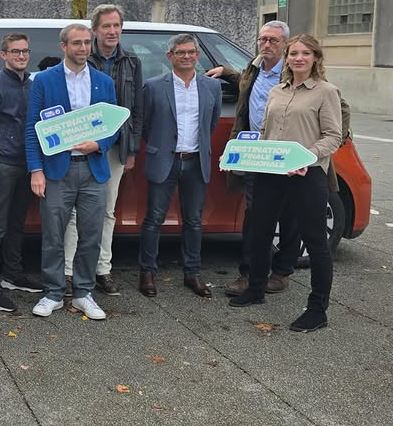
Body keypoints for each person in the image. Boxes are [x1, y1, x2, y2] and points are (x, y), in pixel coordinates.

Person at [207, 21, 352, 296]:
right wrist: (225, 72)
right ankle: (252, 278)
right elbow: (245, 87)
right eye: (262, 39)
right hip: (263, 158)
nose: (267, 44)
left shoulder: (322, 89)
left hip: (300, 166)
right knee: (257, 220)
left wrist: (311, 153)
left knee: (292, 220)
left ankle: (283, 273)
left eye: (274, 40)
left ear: (285, 45)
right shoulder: (256, 72)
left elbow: (339, 116)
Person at [229, 35, 343, 333]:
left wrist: (306, 156)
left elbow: (333, 136)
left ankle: (317, 309)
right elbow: (266, 131)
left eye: (305, 53)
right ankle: (256, 289)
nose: (298, 58)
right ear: (287, 58)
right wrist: (243, 153)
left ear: (316, 58)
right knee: (260, 232)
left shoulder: (326, 92)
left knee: (315, 242)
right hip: (271, 172)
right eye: (293, 53)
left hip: (306, 174)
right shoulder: (276, 91)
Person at [25, 24, 118, 321]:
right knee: (53, 235)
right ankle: (53, 293)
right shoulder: (44, 80)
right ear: (64, 46)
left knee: (91, 235)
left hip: (93, 169)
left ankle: (83, 293)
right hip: (56, 170)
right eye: (76, 43)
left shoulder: (104, 82)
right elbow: (32, 127)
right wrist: (36, 169)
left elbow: (113, 125)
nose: (83, 48)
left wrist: (99, 144)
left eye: (87, 42)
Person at [62, 4, 143, 297]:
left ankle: (102, 269)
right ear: (94, 30)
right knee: (74, 212)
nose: (112, 31)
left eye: (116, 26)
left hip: (115, 146)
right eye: (106, 26)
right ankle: (68, 271)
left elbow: (136, 108)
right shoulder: (82, 54)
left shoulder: (132, 61)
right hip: (80, 144)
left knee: (107, 210)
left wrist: (132, 148)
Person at [138, 34, 221, 299]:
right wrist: (160, 145)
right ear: (169, 56)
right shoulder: (153, 86)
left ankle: (192, 273)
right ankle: (147, 272)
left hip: (196, 161)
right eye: (180, 52)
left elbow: (211, 123)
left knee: (194, 221)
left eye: (190, 52)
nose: (186, 56)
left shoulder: (212, 87)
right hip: (165, 159)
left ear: (197, 55)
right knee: (154, 219)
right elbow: (145, 124)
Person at [0, 33, 41, 312]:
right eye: (15, 51)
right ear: (4, 55)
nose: (21, 56)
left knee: (17, 223)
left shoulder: (33, 85)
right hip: (3, 165)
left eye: (25, 51)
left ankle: (12, 275)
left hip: (27, 164)